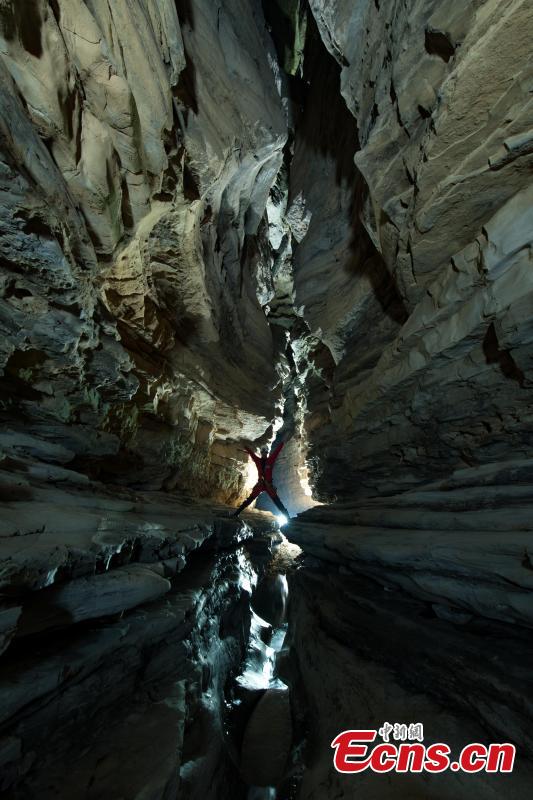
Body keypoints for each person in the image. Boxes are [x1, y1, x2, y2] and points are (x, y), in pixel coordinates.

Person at [232, 441, 290, 519]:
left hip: (268, 485)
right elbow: (251, 454)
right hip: (261, 484)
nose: (264, 453)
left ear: (267, 452)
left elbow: (277, 451)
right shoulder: (258, 460)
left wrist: (282, 443)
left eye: (265, 452)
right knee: (249, 499)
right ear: (261, 452)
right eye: (263, 452)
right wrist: (245, 446)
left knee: (277, 501)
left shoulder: (271, 460)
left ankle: (287, 517)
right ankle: (236, 513)